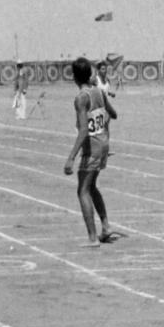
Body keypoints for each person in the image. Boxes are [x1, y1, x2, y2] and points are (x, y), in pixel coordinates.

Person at [64, 57, 120, 245]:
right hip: (104, 144)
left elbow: (83, 131)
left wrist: (71, 157)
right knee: (91, 186)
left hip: (92, 146)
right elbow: (114, 114)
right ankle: (105, 227)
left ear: (74, 77)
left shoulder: (81, 98)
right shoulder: (99, 91)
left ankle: (92, 238)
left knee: (82, 191)